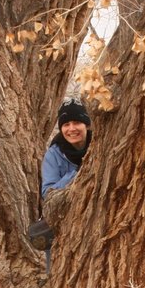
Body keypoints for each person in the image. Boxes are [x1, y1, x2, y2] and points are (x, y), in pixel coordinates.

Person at [40, 98, 91, 232]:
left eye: (77, 122)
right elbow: (48, 193)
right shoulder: (54, 155)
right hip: (66, 224)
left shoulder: (100, 145)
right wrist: (78, 174)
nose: (71, 129)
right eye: (66, 124)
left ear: (86, 125)